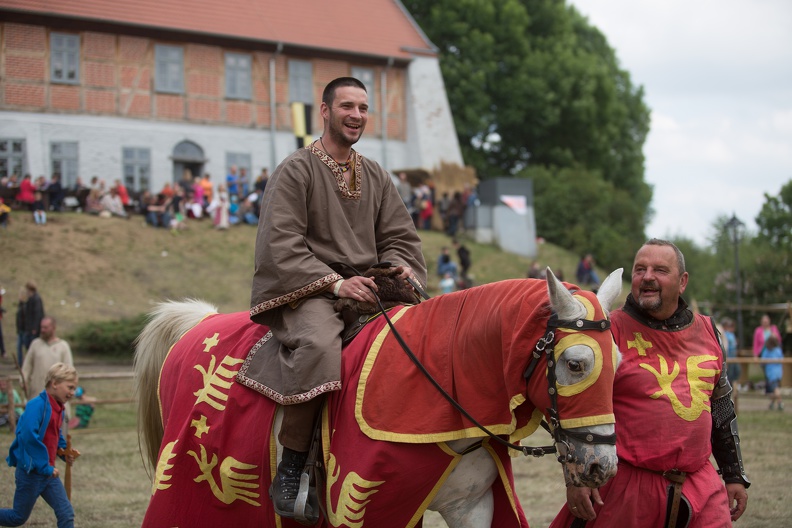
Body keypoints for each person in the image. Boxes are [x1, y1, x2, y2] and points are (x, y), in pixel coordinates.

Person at [249, 76, 426, 521]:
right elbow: (281, 244)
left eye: (363, 108)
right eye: (347, 106)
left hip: (368, 287)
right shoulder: (296, 169)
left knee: (421, 337)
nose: (357, 115)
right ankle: (291, 466)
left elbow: (400, 236)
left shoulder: (376, 175)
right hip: (310, 289)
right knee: (319, 344)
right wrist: (335, 283)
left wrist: (400, 267)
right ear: (324, 111)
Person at [551, 239, 749, 528]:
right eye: (640, 269)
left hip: (700, 486)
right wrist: (578, 476)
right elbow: (576, 409)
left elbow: (720, 407)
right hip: (626, 489)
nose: (647, 277)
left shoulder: (709, 332)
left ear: (682, 282)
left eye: (660, 270)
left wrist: (733, 474)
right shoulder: (608, 331)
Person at [0, 363, 79, 527]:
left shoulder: (59, 407)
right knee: (17, 517)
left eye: (74, 388)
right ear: (55, 383)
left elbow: (55, 435)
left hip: (49, 473)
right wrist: (45, 467)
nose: (73, 392)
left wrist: (64, 452)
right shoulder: (37, 405)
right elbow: (28, 436)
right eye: (70, 387)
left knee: (66, 514)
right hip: (31, 473)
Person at [21, 317, 73, 399]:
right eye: (41, 327)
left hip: (56, 394)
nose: (42, 330)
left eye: (45, 327)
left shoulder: (63, 346)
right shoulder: (35, 344)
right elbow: (27, 366)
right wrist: (23, 380)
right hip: (37, 392)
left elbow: (69, 371)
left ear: (53, 328)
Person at [761, 335, 783, 411]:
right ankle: (772, 403)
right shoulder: (778, 350)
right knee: (774, 389)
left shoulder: (766, 351)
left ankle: (780, 403)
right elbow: (781, 358)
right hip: (779, 373)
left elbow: (762, 362)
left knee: (775, 389)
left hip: (771, 374)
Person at [23, 281, 44, 352]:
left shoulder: (36, 299)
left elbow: (38, 314)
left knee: (33, 347)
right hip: (28, 328)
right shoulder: (30, 299)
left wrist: (35, 328)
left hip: (33, 329)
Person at [720, 317, 741, 390]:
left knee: (736, 372)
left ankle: (734, 387)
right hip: (728, 356)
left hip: (733, 355)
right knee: (730, 374)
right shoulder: (724, 334)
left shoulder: (731, 334)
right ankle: (729, 388)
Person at [15, 286, 27, 368]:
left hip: (24, 331)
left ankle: (25, 363)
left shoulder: (24, 307)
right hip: (20, 331)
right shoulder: (19, 306)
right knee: (19, 347)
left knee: (25, 347)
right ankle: (20, 363)